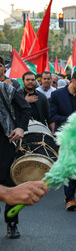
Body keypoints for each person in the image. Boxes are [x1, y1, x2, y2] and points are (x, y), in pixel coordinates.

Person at [49, 70, 76, 210]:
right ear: (73, 81)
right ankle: (70, 198)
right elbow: (52, 115)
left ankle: (70, 195)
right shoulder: (56, 95)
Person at [0, 80, 30, 239]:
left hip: (6, 142)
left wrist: (20, 127)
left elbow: (25, 108)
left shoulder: (5, 88)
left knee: (10, 183)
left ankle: (12, 222)